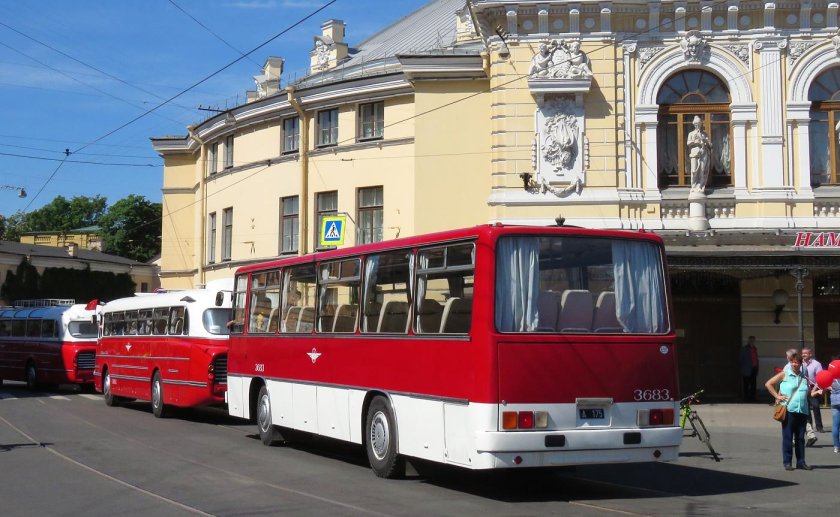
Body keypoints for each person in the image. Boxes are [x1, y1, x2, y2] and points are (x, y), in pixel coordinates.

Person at [765, 351, 821, 471]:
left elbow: (809, 394)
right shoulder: (785, 374)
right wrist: (777, 396)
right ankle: (787, 462)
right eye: (792, 362)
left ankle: (801, 462)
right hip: (789, 410)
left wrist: (819, 392)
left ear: (801, 364)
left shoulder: (804, 377)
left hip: (802, 411)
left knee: (800, 438)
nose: (794, 364)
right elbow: (768, 384)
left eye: (796, 362)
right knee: (788, 437)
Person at [801, 347, 825, 434]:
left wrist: (813, 390)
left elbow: (819, 378)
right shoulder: (799, 363)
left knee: (816, 406)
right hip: (803, 387)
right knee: (806, 408)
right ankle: (809, 427)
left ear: (810, 354)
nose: (803, 355)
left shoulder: (816, 364)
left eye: (805, 353)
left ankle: (819, 427)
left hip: (813, 387)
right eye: (802, 353)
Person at [687, 115, 712, 192]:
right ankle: (694, 186)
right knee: (694, 170)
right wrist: (694, 141)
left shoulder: (704, 134)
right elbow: (688, 143)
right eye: (696, 124)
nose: (697, 126)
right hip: (694, 153)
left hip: (703, 153)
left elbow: (710, 145)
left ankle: (701, 186)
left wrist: (705, 140)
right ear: (694, 125)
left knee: (702, 170)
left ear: (701, 124)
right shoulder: (691, 133)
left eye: (698, 124)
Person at [739, 336, 759, 402]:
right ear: (748, 341)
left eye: (753, 341)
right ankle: (746, 398)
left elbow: (756, 358)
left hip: (754, 368)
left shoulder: (755, 348)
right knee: (746, 384)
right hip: (746, 369)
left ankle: (752, 398)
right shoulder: (744, 349)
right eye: (751, 341)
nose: (752, 342)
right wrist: (742, 368)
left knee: (753, 384)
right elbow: (741, 359)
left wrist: (757, 368)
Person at [829, 355, 840, 454]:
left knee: (836, 425)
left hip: (834, 401)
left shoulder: (830, 375)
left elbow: (823, 384)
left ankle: (836, 446)